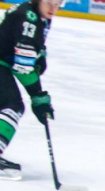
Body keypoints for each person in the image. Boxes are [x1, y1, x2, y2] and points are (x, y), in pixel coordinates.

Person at [0, 0, 59, 181]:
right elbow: (22, 68)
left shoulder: (38, 16)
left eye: (58, 4)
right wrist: (38, 96)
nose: (53, 8)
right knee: (12, 106)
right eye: (49, 3)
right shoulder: (28, 19)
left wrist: (39, 54)